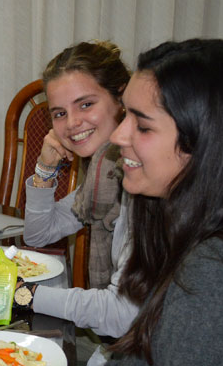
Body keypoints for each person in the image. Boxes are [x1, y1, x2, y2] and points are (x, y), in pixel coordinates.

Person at [59, 39, 223, 366]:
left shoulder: (211, 276)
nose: (118, 135)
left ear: (202, 143)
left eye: (143, 125)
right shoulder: (180, 230)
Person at [18, 41, 138, 339]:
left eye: (86, 104)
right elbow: (39, 233)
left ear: (121, 99)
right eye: (59, 113)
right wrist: (45, 168)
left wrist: (24, 294)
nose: (72, 123)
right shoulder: (103, 175)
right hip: (115, 345)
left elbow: (121, 314)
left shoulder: (142, 181)